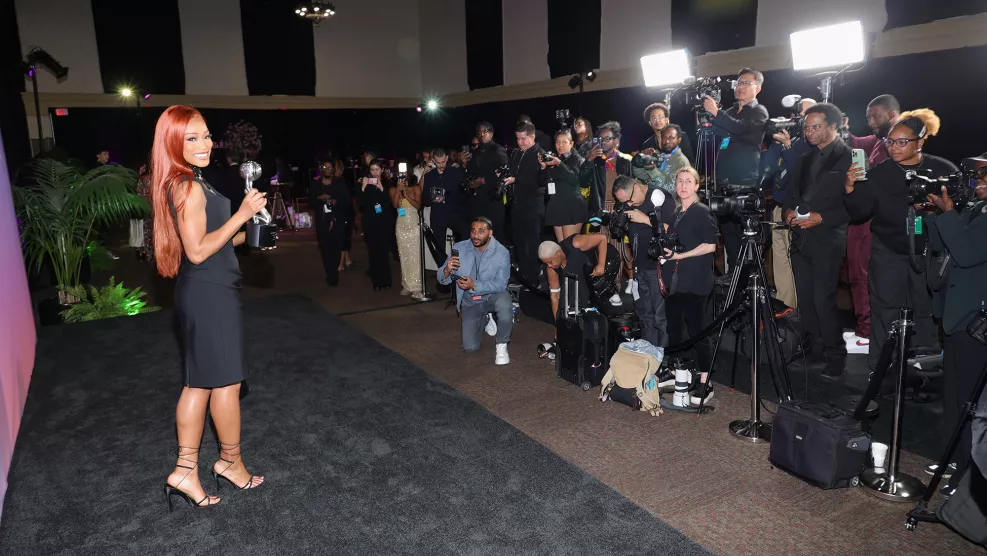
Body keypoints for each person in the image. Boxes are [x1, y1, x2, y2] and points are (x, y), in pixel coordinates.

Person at [150, 105, 266, 510]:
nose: (205, 144)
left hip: (207, 289)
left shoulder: (192, 181)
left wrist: (251, 228)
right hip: (209, 293)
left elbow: (210, 241)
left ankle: (190, 469)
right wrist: (242, 214)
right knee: (225, 383)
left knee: (202, 382)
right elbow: (197, 252)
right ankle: (228, 463)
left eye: (206, 135)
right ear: (174, 143)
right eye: (192, 138)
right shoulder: (187, 185)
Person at [844, 109, 954, 378]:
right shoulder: (879, 173)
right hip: (888, 251)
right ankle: (882, 373)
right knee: (885, 311)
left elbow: (957, 211)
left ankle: (924, 373)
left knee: (925, 313)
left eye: (902, 142)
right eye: (890, 142)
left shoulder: (942, 169)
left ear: (921, 142)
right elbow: (859, 213)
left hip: (928, 253)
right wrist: (849, 187)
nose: (894, 148)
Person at [926, 159, 987, 492]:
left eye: (983, 176)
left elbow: (964, 252)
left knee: (969, 401)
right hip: (956, 316)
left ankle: (968, 473)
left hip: (975, 321)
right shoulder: (975, 208)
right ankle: (953, 459)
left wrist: (949, 214)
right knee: (953, 398)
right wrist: (935, 212)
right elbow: (940, 245)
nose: (978, 181)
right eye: (977, 176)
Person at [784, 103, 853, 379]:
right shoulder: (804, 158)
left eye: (816, 126)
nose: (809, 132)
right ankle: (814, 350)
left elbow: (857, 204)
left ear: (833, 126)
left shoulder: (849, 158)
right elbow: (792, 194)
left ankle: (837, 355)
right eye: (807, 127)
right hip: (801, 237)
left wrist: (821, 217)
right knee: (806, 299)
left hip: (828, 237)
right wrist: (789, 212)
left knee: (824, 299)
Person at [843, 94, 899, 350]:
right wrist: (843, 131)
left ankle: (869, 333)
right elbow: (855, 141)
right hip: (862, 214)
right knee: (856, 272)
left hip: (878, 220)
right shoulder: (879, 139)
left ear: (892, 113)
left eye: (875, 116)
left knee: (866, 275)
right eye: (868, 117)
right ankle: (864, 328)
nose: (870, 121)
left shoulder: (899, 142)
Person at [661, 167, 719, 403]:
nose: (683, 185)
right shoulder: (677, 213)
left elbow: (711, 245)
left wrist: (679, 257)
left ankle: (707, 382)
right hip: (677, 282)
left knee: (699, 332)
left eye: (688, 181)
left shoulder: (701, 211)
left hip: (696, 282)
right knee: (674, 330)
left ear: (696, 186)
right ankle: (679, 373)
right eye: (679, 181)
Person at [704, 67, 769, 271]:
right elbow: (713, 132)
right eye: (738, 82)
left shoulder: (759, 112)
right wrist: (705, 119)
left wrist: (716, 112)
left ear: (757, 88)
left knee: (747, 239)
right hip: (724, 183)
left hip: (745, 184)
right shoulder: (730, 111)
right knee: (730, 237)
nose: (740, 87)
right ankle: (734, 285)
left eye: (746, 83)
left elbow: (740, 128)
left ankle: (752, 287)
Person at [760, 97, 817, 309]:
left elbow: (801, 175)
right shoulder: (789, 141)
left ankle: (802, 309)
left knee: (796, 260)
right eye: (798, 114)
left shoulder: (810, 145)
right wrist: (777, 144)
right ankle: (786, 306)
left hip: (798, 210)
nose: (800, 119)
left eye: (805, 114)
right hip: (778, 207)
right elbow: (767, 169)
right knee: (780, 260)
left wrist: (788, 146)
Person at [438, 217, 513, 365]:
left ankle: (502, 345)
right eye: (473, 231)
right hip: (470, 300)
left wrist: (474, 285)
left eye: (481, 231)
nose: (475, 235)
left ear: (490, 233)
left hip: (492, 296)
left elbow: (501, 284)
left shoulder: (501, 253)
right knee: (470, 348)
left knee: (505, 302)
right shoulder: (459, 248)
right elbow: (442, 279)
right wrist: (447, 270)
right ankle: (485, 320)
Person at [612, 175, 676, 347]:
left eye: (630, 201)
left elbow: (671, 230)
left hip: (658, 267)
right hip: (639, 268)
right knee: (644, 313)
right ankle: (649, 352)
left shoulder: (660, 197)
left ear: (637, 187)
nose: (629, 205)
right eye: (625, 203)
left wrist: (645, 219)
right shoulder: (631, 201)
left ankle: (663, 355)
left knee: (660, 315)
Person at [505, 122, 548, 286]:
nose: (520, 142)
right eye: (518, 138)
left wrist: (516, 180)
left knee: (533, 243)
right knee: (519, 242)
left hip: (533, 205)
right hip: (517, 205)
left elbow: (539, 181)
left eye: (523, 138)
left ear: (532, 137)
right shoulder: (516, 153)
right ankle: (524, 277)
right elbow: (513, 173)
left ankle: (534, 278)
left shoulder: (539, 153)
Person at [538, 234, 608, 322]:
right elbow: (555, 296)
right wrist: (559, 326)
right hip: (582, 279)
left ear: (558, 254)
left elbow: (602, 238)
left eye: (550, 262)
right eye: (546, 263)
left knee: (574, 259)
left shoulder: (577, 243)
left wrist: (601, 264)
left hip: (604, 263)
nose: (549, 266)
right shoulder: (551, 269)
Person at [309, 157, 350, 287]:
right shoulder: (315, 185)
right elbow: (311, 202)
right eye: (325, 167)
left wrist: (334, 200)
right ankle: (331, 275)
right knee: (325, 249)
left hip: (337, 220)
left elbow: (347, 200)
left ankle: (334, 272)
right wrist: (319, 198)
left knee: (336, 248)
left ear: (333, 169)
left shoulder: (339, 183)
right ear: (321, 169)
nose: (327, 170)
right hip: (322, 222)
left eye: (330, 167)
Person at [423, 148, 469, 261]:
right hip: (437, 216)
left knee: (466, 232)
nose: (441, 165)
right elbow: (425, 200)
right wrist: (432, 197)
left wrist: (446, 197)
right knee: (439, 248)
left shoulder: (456, 172)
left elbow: (463, 195)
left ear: (447, 158)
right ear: (433, 160)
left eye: (443, 161)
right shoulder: (429, 176)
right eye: (438, 162)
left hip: (454, 213)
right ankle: (443, 274)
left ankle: (459, 265)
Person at [464, 122, 510, 235]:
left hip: (494, 198)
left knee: (494, 232)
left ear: (491, 133)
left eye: (485, 131)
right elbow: (471, 171)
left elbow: (505, 172)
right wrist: (470, 180)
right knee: (480, 233)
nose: (482, 134)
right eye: (479, 132)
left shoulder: (498, 150)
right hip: (479, 199)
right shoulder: (476, 152)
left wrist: (484, 180)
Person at [541, 129, 587, 241]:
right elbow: (542, 183)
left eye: (564, 142)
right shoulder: (554, 160)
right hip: (556, 206)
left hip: (571, 206)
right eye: (557, 142)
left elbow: (573, 180)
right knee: (561, 248)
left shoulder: (576, 158)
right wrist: (543, 167)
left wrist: (559, 164)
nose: (560, 145)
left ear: (571, 143)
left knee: (570, 247)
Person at [358, 160, 394, 290]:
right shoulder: (366, 183)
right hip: (370, 222)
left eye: (377, 169)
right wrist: (362, 187)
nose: (374, 172)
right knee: (373, 252)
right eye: (372, 169)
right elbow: (361, 204)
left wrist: (382, 189)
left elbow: (390, 204)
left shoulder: (388, 183)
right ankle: (376, 281)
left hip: (384, 222)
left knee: (384, 251)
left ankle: (386, 280)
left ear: (382, 170)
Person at [390, 172, 424, 299]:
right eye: (400, 177)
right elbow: (395, 205)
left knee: (415, 255)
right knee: (404, 255)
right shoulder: (394, 189)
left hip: (413, 221)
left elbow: (418, 206)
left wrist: (406, 196)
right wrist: (399, 190)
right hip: (401, 223)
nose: (403, 179)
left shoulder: (415, 188)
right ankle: (407, 284)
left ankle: (417, 286)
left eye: (404, 176)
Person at [639, 102, 695, 166]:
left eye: (660, 117)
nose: (658, 120)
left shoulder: (680, 136)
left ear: (666, 119)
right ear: (649, 122)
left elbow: (690, 161)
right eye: (654, 118)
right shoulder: (647, 144)